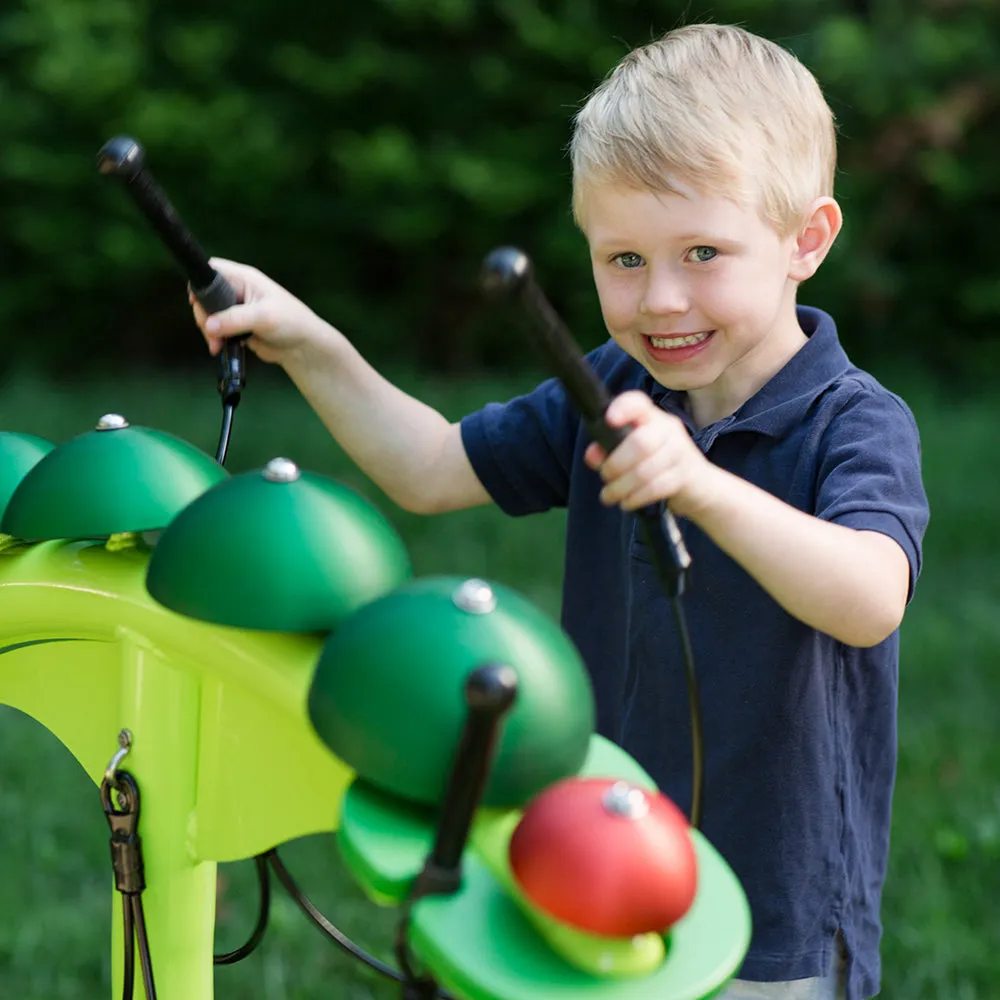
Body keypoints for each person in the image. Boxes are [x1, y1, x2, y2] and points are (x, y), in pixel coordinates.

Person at [189, 23, 929, 1000]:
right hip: (592, 872)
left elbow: (869, 596)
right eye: (622, 259)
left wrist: (700, 487)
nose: (660, 298)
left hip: (770, 920)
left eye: (702, 252)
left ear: (807, 240)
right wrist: (311, 343)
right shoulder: (613, 386)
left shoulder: (854, 421)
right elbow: (430, 468)